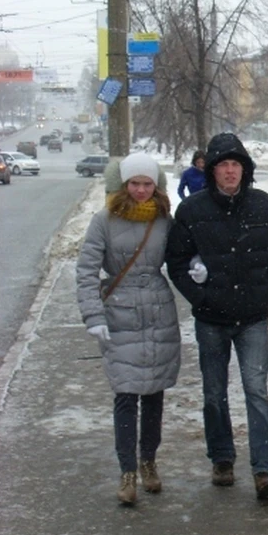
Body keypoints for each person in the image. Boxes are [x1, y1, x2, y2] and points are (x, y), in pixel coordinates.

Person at [164, 132, 268, 500]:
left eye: (236, 165)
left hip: (252, 316)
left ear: (244, 170)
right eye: (223, 165)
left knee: (256, 391)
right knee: (214, 394)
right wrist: (198, 297)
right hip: (212, 318)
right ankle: (221, 457)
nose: (230, 171)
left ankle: (265, 469)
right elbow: (178, 263)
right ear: (212, 171)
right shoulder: (192, 211)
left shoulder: (263, 205)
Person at [75, 153, 181, 506]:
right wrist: (93, 317)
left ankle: (149, 461)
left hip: (157, 312)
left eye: (147, 183)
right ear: (123, 184)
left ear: (156, 185)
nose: (140, 190)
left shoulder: (166, 220)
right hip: (119, 314)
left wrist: (195, 265)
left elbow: (181, 256)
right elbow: (87, 271)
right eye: (134, 183)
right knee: (125, 395)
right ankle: (127, 471)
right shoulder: (103, 220)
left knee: (153, 394)